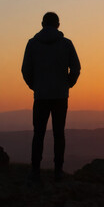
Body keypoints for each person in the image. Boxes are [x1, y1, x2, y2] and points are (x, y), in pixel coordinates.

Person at [22, 12, 81, 182]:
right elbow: (76, 68)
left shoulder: (32, 44)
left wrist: (35, 86)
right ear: (58, 25)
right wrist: (67, 84)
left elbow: (25, 70)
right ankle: (58, 171)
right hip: (60, 96)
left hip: (40, 96)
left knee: (38, 133)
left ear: (42, 24)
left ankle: (35, 171)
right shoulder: (66, 44)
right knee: (59, 134)